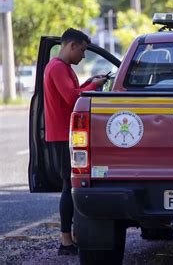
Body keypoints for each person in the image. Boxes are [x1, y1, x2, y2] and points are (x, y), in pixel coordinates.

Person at [43, 28, 107, 255]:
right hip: (62, 136)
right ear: (71, 46)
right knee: (69, 186)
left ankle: (72, 237)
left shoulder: (62, 68)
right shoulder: (58, 68)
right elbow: (72, 99)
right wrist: (95, 86)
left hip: (63, 134)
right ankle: (66, 241)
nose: (83, 56)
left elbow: (73, 92)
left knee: (70, 186)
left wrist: (89, 83)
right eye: (82, 50)